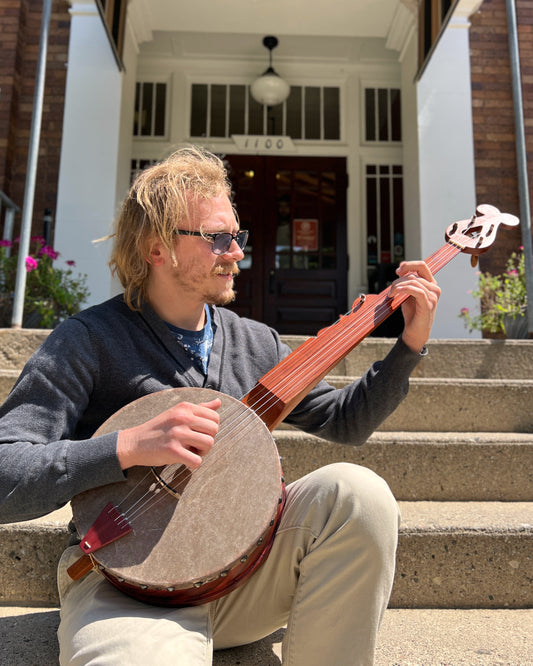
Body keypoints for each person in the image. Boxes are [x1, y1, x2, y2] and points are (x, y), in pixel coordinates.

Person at [0, 146, 440, 665]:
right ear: (157, 248)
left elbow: (348, 421)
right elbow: (6, 474)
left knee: (358, 493)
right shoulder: (88, 341)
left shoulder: (257, 344)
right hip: (128, 588)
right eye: (217, 239)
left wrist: (409, 345)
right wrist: (124, 446)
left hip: (245, 577)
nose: (237, 252)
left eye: (237, 236)